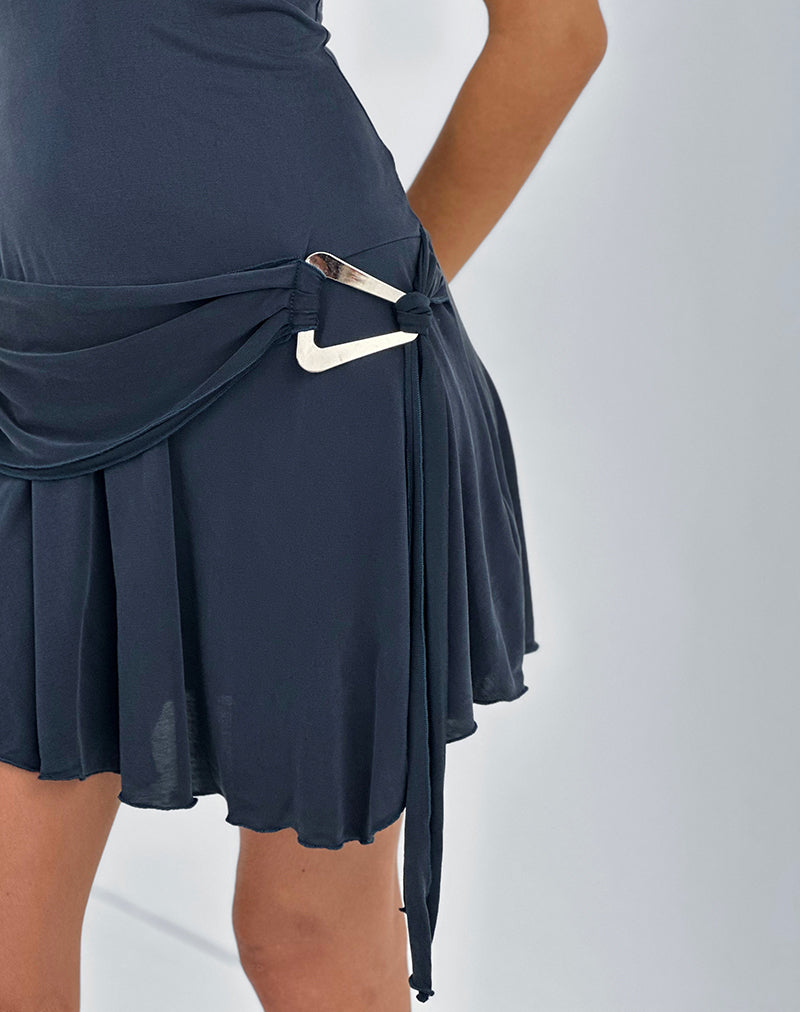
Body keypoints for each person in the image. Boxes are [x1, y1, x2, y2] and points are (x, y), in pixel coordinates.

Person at [0, 0, 606, 1008]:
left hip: (299, 349)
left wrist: (382, 295)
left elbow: (555, 33)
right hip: (50, 368)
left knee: (301, 927)